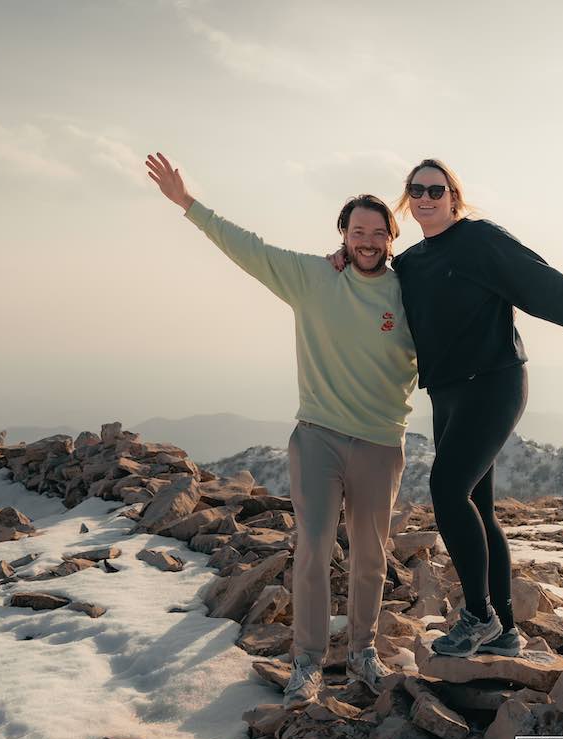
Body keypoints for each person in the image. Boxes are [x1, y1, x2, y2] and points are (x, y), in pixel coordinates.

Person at [333, 159, 563, 657]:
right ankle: (504, 630)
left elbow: (548, 289)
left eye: (435, 190)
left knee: (446, 489)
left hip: (495, 384)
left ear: (453, 196)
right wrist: (340, 258)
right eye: (416, 190)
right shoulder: (412, 264)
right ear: (407, 197)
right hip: (447, 394)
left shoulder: (481, 240)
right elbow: (373, 280)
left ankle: (478, 617)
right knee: (478, 509)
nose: (425, 197)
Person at [144, 152, 415, 703]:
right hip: (318, 435)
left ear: (392, 236)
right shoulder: (313, 277)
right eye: (357, 230)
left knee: (370, 553)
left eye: (377, 232)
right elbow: (249, 249)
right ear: (343, 234)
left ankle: (362, 651)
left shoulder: (410, 289)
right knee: (313, 546)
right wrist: (188, 204)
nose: (367, 240)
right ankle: (308, 661)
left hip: (382, 441)